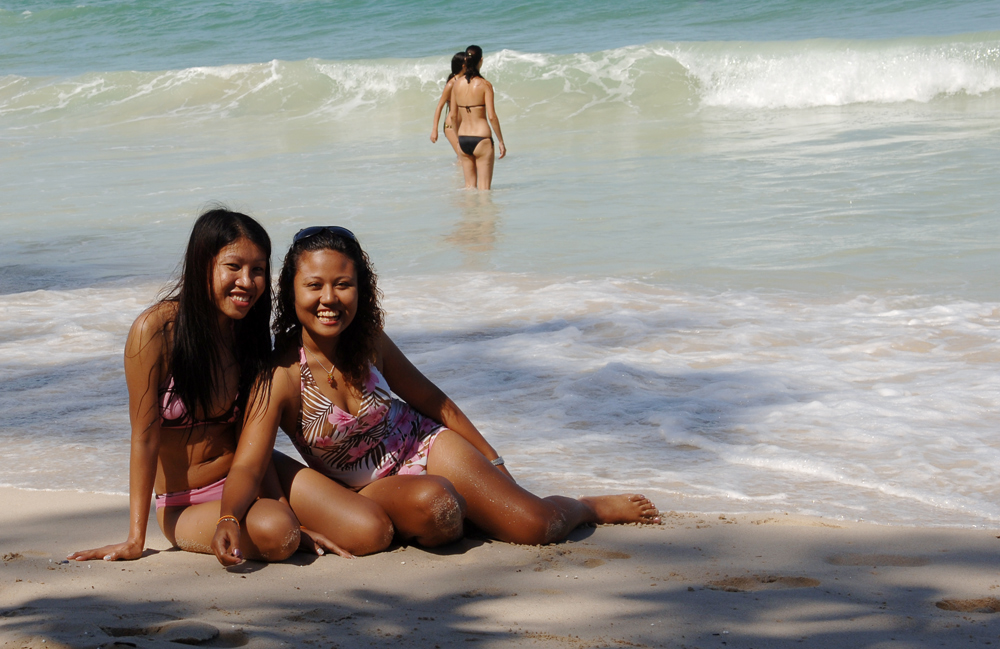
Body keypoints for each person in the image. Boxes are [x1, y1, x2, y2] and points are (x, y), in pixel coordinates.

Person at [211, 227, 660, 566]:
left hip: (427, 445)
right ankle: (458, 512)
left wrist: (492, 459)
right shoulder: (281, 375)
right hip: (371, 489)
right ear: (291, 291)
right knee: (436, 507)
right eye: (314, 285)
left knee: (535, 525)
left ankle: (588, 506)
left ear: (360, 289)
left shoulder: (370, 342)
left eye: (343, 284)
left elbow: (432, 400)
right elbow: (251, 462)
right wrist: (229, 519)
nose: (329, 298)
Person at [69, 208, 300, 564]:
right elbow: (144, 437)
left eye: (258, 270)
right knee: (279, 533)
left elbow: (249, 439)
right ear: (201, 265)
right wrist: (135, 538)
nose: (247, 281)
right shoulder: (156, 331)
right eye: (233, 266)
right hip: (186, 501)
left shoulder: (249, 334)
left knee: (359, 525)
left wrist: (283, 503)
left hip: (244, 476)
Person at [451, 45, 507, 190]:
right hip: (481, 139)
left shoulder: (456, 84)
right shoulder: (485, 85)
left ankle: (471, 213)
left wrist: (457, 140)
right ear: (481, 60)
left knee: (469, 188)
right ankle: (485, 213)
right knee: (484, 190)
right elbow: (492, 117)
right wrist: (501, 141)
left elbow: (452, 116)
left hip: (463, 138)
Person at [430, 51, 467, 157]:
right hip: (451, 126)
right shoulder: (451, 83)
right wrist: (434, 130)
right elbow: (440, 106)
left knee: (466, 158)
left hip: (463, 126)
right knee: (462, 157)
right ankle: (457, 174)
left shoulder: (467, 80)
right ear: (463, 66)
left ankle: (457, 173)